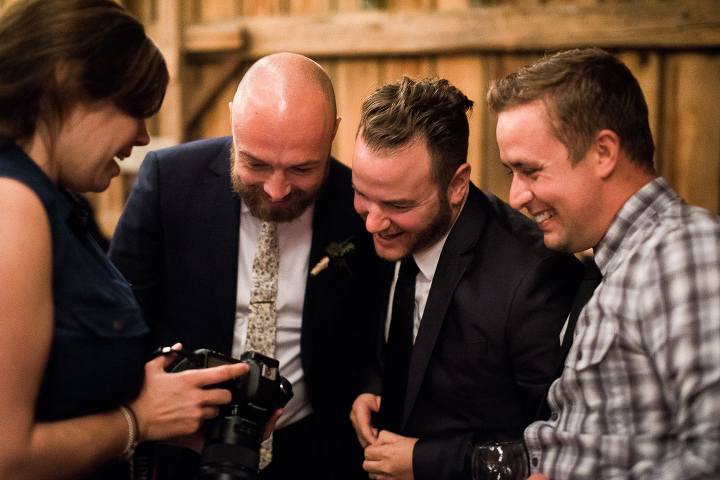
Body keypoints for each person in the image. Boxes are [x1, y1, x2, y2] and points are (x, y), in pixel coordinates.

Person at [0, 1, 259, 480]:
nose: (142, 136)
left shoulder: (59, 203)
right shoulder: (13, 206)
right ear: (69, 84)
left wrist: (165, 399)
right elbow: (8, 455)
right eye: (135, 110)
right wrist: (138, 420)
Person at [109, 52, 388, 480]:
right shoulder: (169, 181)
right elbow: (120, 319)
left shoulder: (359, 207)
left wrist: (372, 386)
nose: (277, 191)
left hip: (315, 449)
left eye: (302, 168)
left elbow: (372, 329)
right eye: (255, 163)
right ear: (233, 120)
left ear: (332, 133)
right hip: (185, 448)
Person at [487, 47, 720, 479]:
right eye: (510, 175)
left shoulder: (678, 249)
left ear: (603, 152)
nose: (516, 196)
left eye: (531, 171)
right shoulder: (612, 265)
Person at [349, 76, 584, 480]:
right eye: (362, 194)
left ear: (456, 185)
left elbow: (555, 447)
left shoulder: (534, 276)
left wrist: (425, 461)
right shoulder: (387, 229)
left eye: (397, 204)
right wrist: (375, 386)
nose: (372, 222)